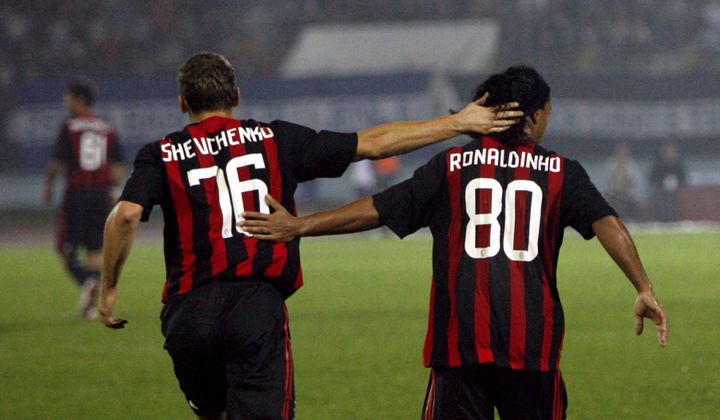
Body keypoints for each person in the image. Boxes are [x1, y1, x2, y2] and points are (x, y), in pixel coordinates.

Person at [98, 52, 522, 420]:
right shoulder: (274, 139)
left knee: (213, 411)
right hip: (254, 305)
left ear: (183, 102)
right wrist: (457, 122)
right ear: (237, 96)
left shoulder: (161, 153)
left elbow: (125, 217)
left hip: (187, 312)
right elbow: (374, 143)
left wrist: (108, 291)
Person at [242, 66, 669, 419]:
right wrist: (643, 287)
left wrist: (301, 226)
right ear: (536, 116)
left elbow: (378, 207)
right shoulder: (561, 171)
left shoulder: (450, 166)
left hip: (460, 343)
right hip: (531, 348)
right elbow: (608, 223)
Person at [43, 79, 125, 320]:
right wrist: (114, 190)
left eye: (68, 97)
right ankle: (90, 306)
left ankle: (85, 283)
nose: (65, 101)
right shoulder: (107, 127)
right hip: (101, 195)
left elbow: (57, 164)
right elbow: (118, 163)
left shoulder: (69, 127)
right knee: (93, 249)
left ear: (79, 100)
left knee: (64, 247)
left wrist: (48, 186)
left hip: (77, 194)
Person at [603, 142, 643, 221]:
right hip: (613, 194)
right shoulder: (611, 164)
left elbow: (636, 181)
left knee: (637, 202)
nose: (622, 152)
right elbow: (606, 181)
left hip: (628, 194)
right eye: (620, 150)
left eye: (624, 150)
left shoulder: (631, 165)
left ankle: (634, 221)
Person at [648, 141, 687, 222]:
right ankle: (659, 219)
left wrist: (676, 183)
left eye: (672, 151)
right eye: (668, 151)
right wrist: (660, 184)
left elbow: (683, 179)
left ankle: (673, 219)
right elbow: (652, 178)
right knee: (660, 198)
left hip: (675, 192)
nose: (670, 153)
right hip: (660, 191)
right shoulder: (658, 164)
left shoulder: (678, 164)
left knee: (672, 199)